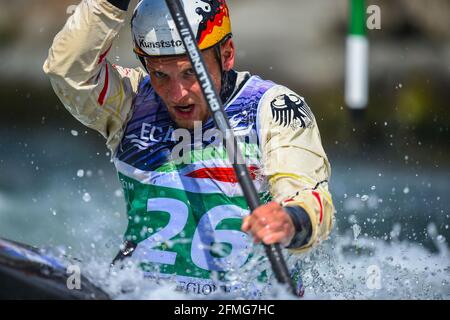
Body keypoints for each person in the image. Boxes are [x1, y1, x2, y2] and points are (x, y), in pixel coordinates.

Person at [43, 0, 334, 297]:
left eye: (189, 73)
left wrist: (289, 220)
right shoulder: (130, 104)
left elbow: (311, 198)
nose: (177, 94)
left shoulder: (271, 108)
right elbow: (68, 72)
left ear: (227, 54)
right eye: (161, 75)